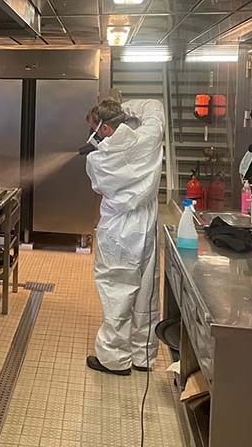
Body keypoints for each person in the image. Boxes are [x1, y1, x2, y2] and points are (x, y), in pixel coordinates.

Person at [84, 98, 165, 375]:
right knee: (146, 292)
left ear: (105, 129)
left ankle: (114, 359)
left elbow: (99, 187)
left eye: (95, 129)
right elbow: (154, 106)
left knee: (116, 291)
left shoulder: (99, 158)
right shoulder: (148, 137)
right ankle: (143, 356)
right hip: (147, 222)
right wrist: (124, 108)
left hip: (119, 230)